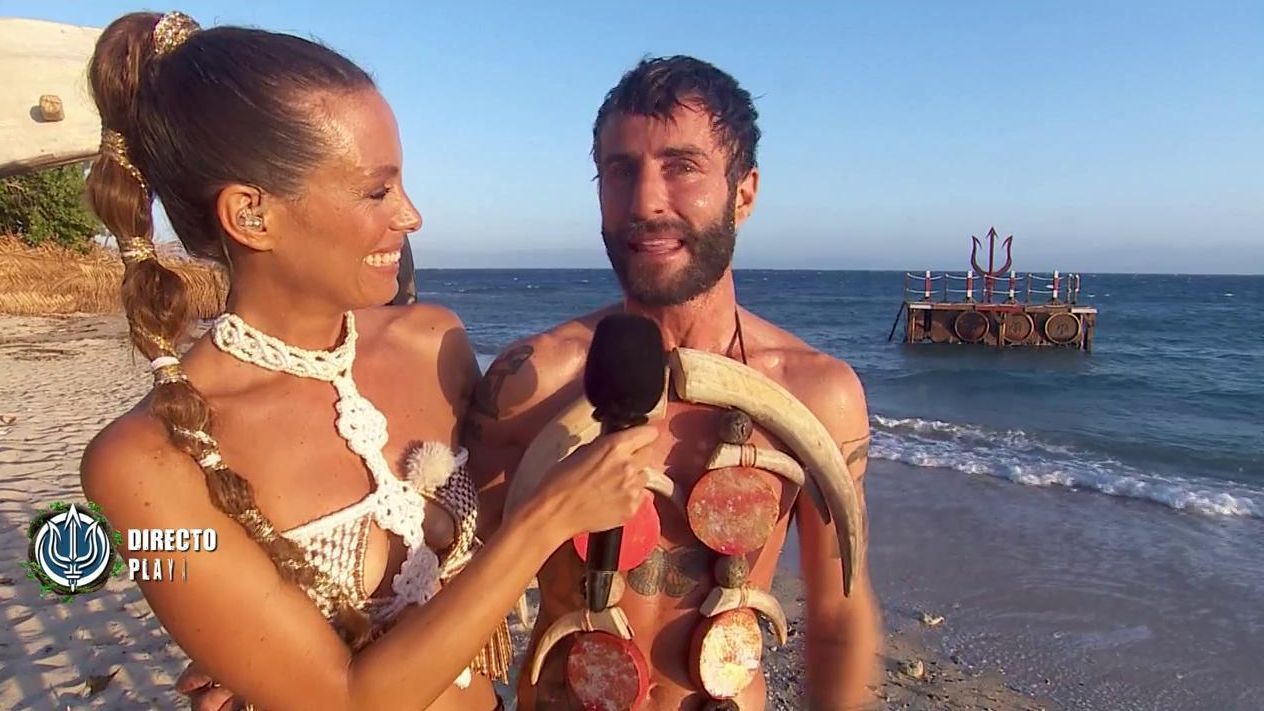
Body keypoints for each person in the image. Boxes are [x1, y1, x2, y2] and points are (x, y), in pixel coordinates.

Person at [80, 11, 657, 711]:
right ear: (251, 214)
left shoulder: (431, 343)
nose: (411, 214)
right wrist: (552, 515)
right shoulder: (141, 461)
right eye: (377, 190)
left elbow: (486, 544)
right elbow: (347, 698)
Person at [466, 56, 882, 710]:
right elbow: (457, 598)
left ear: (744, 192)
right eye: (620, 170)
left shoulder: (817, 394)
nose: (645, 201)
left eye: (682, 167)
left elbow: (836, 618)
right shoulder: (531, 383)